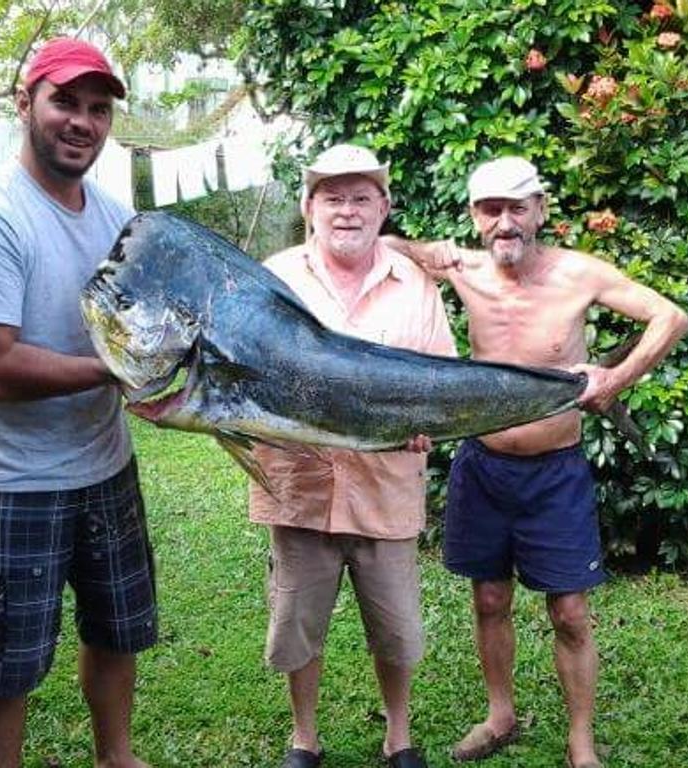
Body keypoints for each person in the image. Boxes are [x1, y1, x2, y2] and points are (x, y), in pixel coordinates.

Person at [387, 156, 688, 767]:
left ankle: (581, 743)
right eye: (490, 210)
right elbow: (384, 244)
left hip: (556, 470)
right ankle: (501, 715)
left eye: (516, 208)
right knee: (489, 599)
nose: (504, 222)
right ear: (475, 218)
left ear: (540, 211)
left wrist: (616, 377)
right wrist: (420, 246)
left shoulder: (579, 273)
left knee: (571, 612)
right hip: (484, 463)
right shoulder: (465, 268)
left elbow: (671, 316)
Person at [0, 38, 155, 768]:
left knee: (117, 631)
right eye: (66, 101)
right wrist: (117, 369)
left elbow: (145, 319)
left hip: (106, 466)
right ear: (24, 102)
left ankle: (115, 758)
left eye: (98, 109)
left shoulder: (116, 216)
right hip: (19, 484)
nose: (83, 122)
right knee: (9, 663)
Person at [249, 144, 457, 768]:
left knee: (395, 629)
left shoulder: (417, 281)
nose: (347, 210)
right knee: (298, 626)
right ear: (308, 207)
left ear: (384, 208)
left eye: (361, 197)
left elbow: (440, 378)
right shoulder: (273, 277)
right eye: (332, 197)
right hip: (298, 489)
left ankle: (399, 735)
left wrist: (427, 425)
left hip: (386, 491)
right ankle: (304, 738)